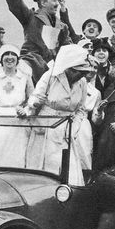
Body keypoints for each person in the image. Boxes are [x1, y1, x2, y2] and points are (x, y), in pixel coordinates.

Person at [18, 44, 97, 186]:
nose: (82, 74)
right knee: (46, 170)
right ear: (68, 68)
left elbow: (80, 109)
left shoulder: (82, 82)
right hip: (46, 128)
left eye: (84, 72)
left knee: (69, 169)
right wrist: (29, 109)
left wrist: (74, 128)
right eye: (78, 71)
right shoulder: (50, 76)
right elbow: (36, 98)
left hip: (68, 130)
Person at [5, 0, 72, 83]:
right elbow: (13, 0)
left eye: (58, 0)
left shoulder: (62, 26)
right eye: (54, 0)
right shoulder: (30, 17)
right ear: (42, 3)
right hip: (30, 66)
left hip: (52, 71)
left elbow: (67, 49)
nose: (57, 4)